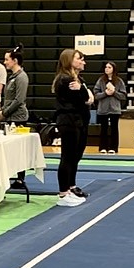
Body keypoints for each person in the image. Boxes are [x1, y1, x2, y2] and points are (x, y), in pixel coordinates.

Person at [53, 48, 92, 205]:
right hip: (69, 121)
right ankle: (63, 193)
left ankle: (70, 187)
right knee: (67, 157)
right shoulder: (66, 79)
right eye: (79, 58)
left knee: (74, 157)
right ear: (69, 60)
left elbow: (89, 98)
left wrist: (84, 92)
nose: (83, 61)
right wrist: (84, 93)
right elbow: (82, 99)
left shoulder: (78, 79)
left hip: (78, 121)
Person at [92, 61, 127, 154]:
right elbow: (96, 95)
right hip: (103, 109)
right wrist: (105, 93)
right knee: (104, 128)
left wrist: (114, 92)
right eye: (106, 67)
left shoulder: (119, 81)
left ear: (113, 69)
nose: (107, 69)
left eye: (109, 67)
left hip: (115, 109)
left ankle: (113, 147)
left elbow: (123, 96)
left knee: (114, 128)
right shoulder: (101, 80)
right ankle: (103, 147)